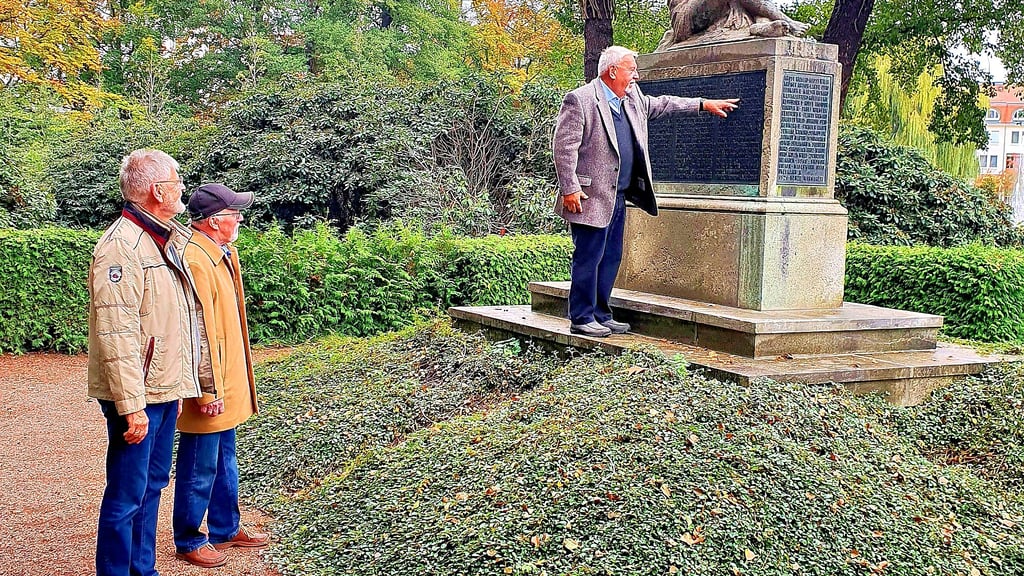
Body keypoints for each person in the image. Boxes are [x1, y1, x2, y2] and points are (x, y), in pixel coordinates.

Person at [552, 45, 739, 337]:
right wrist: (570, 189)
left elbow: (664, 104)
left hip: (619, 195)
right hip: (589, 197)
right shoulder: (581, 100)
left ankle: (602, 313)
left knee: (611, 257)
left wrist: (703, 104)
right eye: (631, 69)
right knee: (589, 257)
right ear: (613, 71)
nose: (636, 75)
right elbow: (564, 148)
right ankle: (582, 317)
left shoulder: (632, 98)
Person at [88, 149, 202, 576]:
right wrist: (131, 405)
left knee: (152, 486)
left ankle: (143, 569)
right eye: (177, 182)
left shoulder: (163, 238)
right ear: (158, 191)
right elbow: (116, 334)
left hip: (162, 388)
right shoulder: (122, 246)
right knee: (126, 492)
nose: (182, 189)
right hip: (138, 394)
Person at [173, 183, 267, 568]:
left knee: (225, 460)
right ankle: (189, 537)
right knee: (199, 464)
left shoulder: (218, 252)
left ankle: (227, 528)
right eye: (234, 213)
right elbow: (197, 332)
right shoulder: (197, 259)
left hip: (225, 381)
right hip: (209, 386)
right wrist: (207, 390)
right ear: (214, 222)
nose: (240, 219)